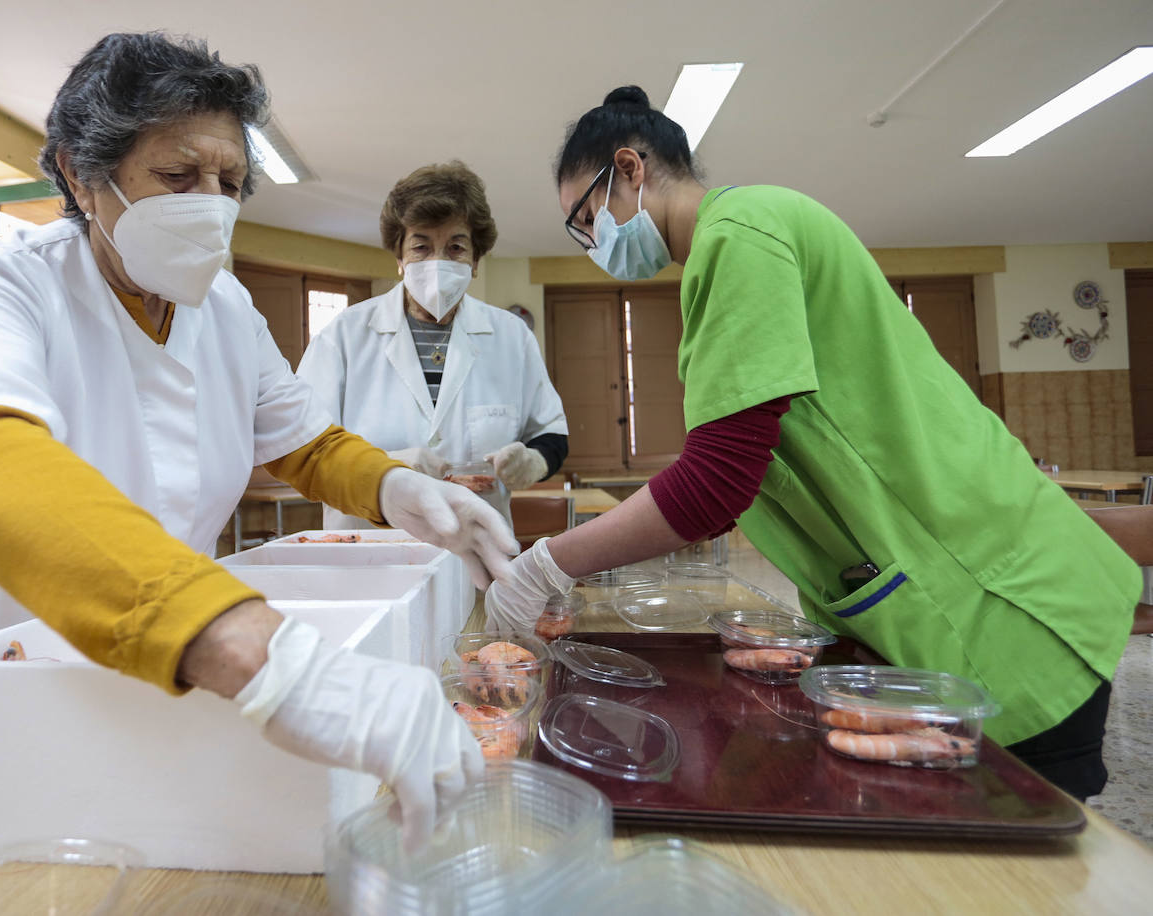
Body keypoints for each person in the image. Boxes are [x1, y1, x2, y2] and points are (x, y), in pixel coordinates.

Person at [0, 33, 514, 853]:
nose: (211, 202)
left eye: (230, 183)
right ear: (79, 173)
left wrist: (401, 490)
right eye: (177, 176)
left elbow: (303, 439)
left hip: (165, 662)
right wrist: (274, 660)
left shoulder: (226, 308)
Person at [485, 85, 1140, 799]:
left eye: (587, 218)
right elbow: (755, 470)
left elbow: (716, 482)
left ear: (631, 168)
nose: (592, 247)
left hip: (999, 607)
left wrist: (547, 564)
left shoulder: (744, 234)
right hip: (953, 583)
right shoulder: (734, 247)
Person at [296, 162, 568, 528]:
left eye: (456, 247)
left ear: (475, 262)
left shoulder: (511, 337)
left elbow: (551, 434)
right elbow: (302, 450)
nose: (438, 263)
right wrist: (384, 470)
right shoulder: (343, 336)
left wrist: (533, 462)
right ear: (399, 259)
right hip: (374, 555)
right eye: (421, 247)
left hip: (476, 550)